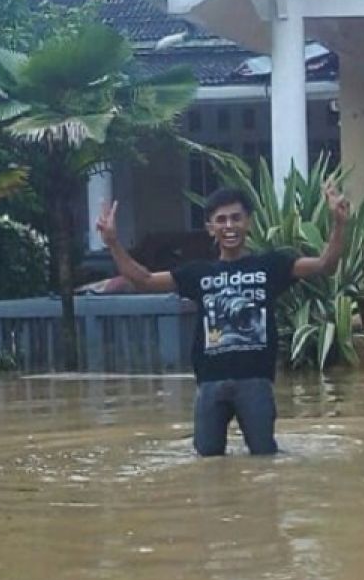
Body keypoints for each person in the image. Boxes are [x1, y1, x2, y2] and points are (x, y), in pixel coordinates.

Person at [95, 180, 350, 456]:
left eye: (236, 218)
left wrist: (339, 224)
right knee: (207, 459)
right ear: (211, 228)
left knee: (264, 456)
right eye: (222, 220)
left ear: (248, 222)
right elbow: (143, 280)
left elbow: (325, 265)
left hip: (255, 382)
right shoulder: (198, 273)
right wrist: (113, 244)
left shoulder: (271, 266)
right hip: (210, 385)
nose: (230, 226)